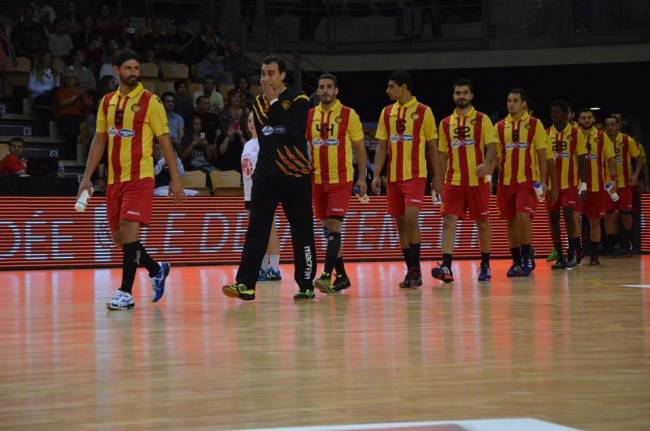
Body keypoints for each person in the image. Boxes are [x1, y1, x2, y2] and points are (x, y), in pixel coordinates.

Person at [77, 49, 184, 310]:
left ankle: (125, 292)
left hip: (140, 178)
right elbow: (99, 140)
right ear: (116, 70)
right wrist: (87, 178)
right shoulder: (106, 102)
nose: (134, 73)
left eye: (137, 68)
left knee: (128, 231)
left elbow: (165, 141)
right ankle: (156, 269)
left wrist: (175, 178)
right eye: (128, 68)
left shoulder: (151, 102)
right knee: (120, 238)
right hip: (113, 181)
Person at [222, 55, 316, 301]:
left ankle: (306, 284)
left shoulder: (299, 98)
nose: (265, 78)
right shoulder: (259, 103)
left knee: (302, 230)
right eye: (263, 73)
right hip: (266, 176)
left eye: (271, 73)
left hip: (295, 175)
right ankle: (246, 284)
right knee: (256, 229)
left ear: (283, 75)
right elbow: (268, 136)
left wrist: (274, 100)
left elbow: (293, 129)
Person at [372, 70, 437, 288]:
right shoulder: (387, 112)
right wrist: (377, 174)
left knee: (411, 218)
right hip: (393, 177)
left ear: (404, 87)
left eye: (391, 86)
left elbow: (433, 147)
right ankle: (411, 271)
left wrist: (436, 177)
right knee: (400, 223)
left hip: (415, 175)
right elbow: (382, 145)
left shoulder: (423, 111)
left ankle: (416, 268)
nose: (387, 90)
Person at [431, 78, 496, 283]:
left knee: (483, 223)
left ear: (471, 95)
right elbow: (441, 155)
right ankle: (446, 266)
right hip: (454, 179)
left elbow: (492, 147)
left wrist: (487, 165)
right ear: (453, 96)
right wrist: (438, 180)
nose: (461, 96)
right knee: (448, 221)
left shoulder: (482, 119)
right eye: (458, 93)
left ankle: (485, 265)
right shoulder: (444, 123)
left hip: (478, 181)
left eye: (465, 92)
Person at [307, 73, 367, 293]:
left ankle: (325, 275)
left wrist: (362, 177)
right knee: (327, 229)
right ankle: (341, 276)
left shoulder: (348, 114)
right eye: (321, 87)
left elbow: (360, 148)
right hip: (317, 179)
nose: (325, 91)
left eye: (329, 87)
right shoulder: (310, 115)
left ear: (336, 91)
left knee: (334, 226)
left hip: (340, 179)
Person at [494, 88, 552, 277]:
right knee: (510, 222)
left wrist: (543, 180)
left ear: (524, 103)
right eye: (509, 100)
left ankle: (527, 254)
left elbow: (542, 153)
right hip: (505, 182)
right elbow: (495, 156)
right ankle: (517, 260)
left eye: (515, 100)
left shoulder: (535, 125)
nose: (511, 104)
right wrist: (488, 177)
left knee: (522, 217)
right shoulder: (500, 126)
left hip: (527, 181)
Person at [545, 100, 587, 269]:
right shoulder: (546, 133)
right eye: (552, 112)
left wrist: (583, 184)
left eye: (558, 112)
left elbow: (582, 158)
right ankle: (560, 255)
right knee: (553, 219)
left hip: (570, 184)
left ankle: (574, 251)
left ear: (566, 114)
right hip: (551, 185)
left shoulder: (576, 133)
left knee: (569, 215)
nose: (555, 115)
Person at [241, 110, 282, 281]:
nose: (251, 123)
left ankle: (274, 268)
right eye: (249, 120)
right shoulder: (247, 144)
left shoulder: (267, 142)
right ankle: (263, 268)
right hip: (249, 194)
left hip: (264, 192)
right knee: (257, 232)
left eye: (254, 120)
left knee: (269, 229)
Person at [577, 108, 617, 265]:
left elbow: (611, 158)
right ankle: (577, 251)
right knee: (576, 220)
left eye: (589, 117)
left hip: (597, 186)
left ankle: (594, 255)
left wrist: (613, 179)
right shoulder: (574, 135)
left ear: (593, 119)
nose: (586, 120)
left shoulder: (601, 136)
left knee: (594, 221)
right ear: (579, 120)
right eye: (583, 118)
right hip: (577, 185)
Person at [603, 115, 644, 256]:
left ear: (618, 125)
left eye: (612, 124)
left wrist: (636, 175)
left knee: (625, 214)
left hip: (624, 183)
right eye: (607, 125)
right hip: (606, 185)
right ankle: (612, 245)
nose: (610, 128)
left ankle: (627, 242)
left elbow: (640, 160)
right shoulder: (600, 140)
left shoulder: (627, 140)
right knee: (609, 215)